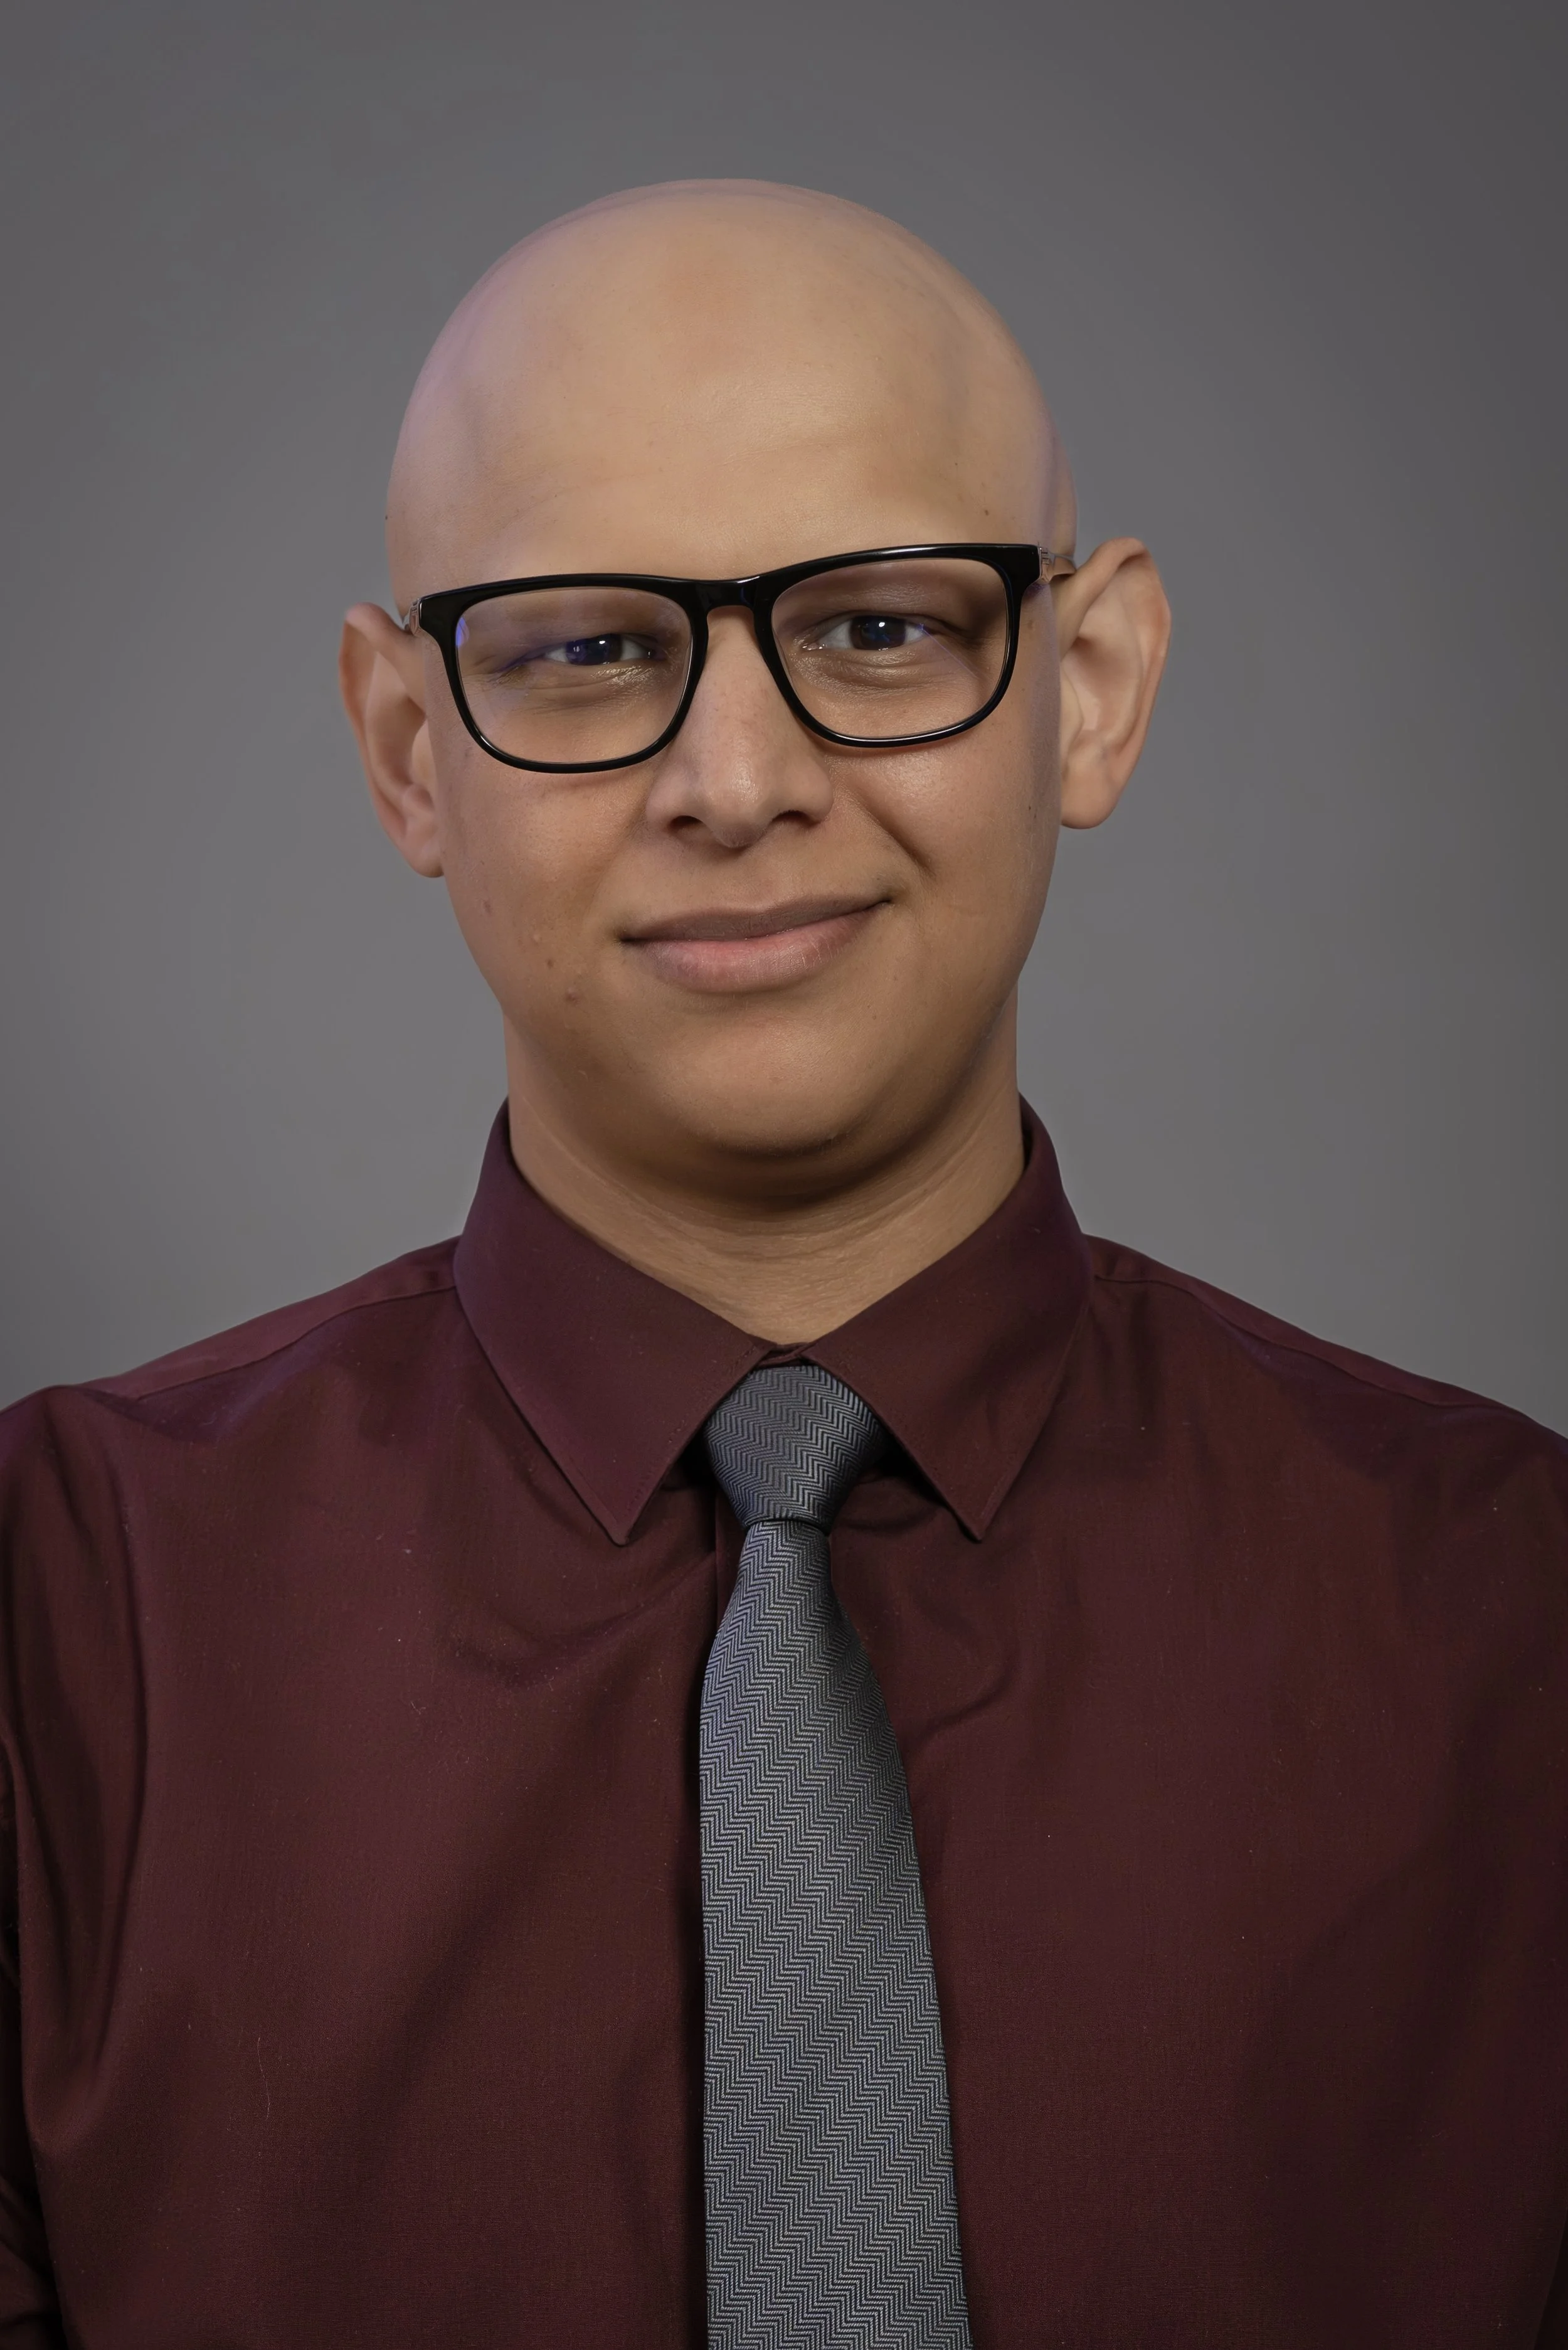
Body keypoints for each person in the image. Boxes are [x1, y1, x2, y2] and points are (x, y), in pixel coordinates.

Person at [0, 178, 1564, 2349]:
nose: (736, 783)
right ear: (404, 748)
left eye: (879, 630)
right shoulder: (52, 1627)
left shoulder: (1515, 1617)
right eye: (582, 648)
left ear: (1088, 688)